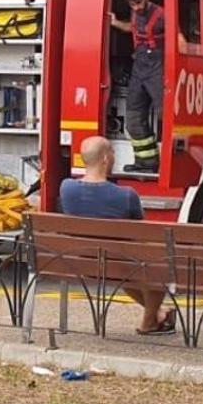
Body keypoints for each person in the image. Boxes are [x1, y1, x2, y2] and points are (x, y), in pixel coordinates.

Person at [59, 136, 172, 335]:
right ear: (105, 159)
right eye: (112, 152)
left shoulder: (66, 188)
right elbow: (140, 234)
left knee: (123, 267)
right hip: (117, 264)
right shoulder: (127, 195)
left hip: (81, 261)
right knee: (156, 266)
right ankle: (150, 321)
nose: (113, 156)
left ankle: (157, 314)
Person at [108, 0, 163, 174]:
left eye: (139, 2)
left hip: (158, 68)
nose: (137, 7)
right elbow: (132, 29)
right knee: (133, 117)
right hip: (139, 69)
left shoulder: (161, 15)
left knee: (166, 114)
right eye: (133, 4)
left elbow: (178, 39)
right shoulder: (134, 13)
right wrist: (114, 23)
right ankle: (146, 162)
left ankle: (172, 164)